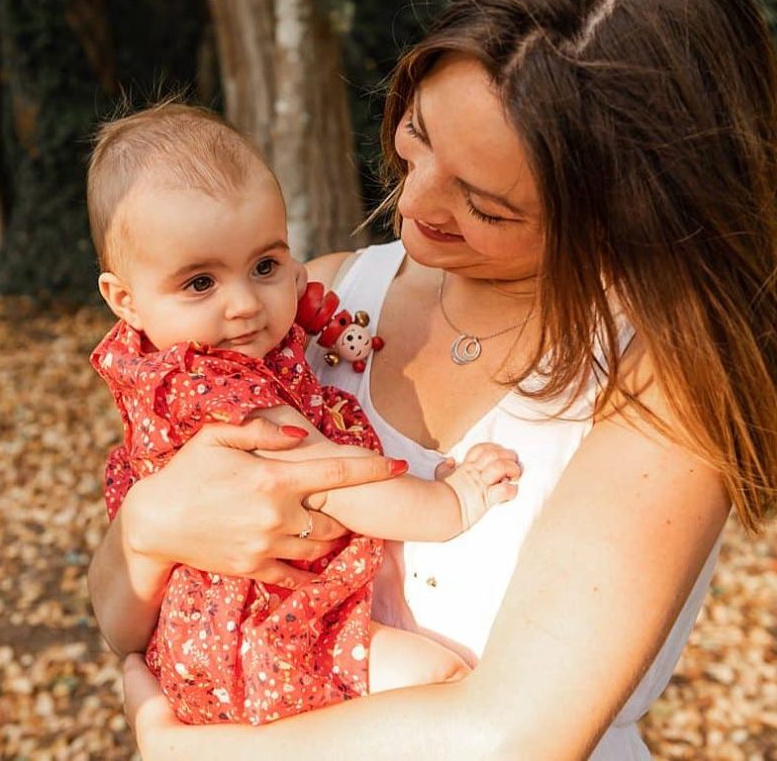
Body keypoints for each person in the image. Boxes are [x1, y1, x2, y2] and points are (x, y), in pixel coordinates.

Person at [88, 0, 777, 757]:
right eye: (417, 135)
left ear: (620, 207)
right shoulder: (316, 304)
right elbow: (123, 618)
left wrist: (190, 751)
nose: (413, 200)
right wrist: (147, 529)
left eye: (483, 205)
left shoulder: (663, 383)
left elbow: (514, 737)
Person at [85, 104, 521, 726]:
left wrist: (324, 321)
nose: (244, 304)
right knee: (441, 681)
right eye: (200, 283)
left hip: (237, 631)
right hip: (260, 636)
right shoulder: (215, 386)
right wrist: (456, 500)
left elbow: (301, 300)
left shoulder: (189, 353)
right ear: (124, 299)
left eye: (264, 266)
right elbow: (340, 483)